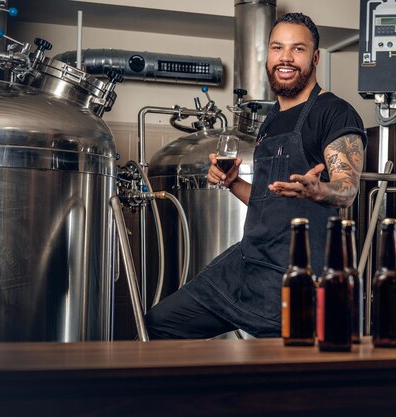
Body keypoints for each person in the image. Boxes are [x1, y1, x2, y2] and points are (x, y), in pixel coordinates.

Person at [145, 12, 367, 339]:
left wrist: (318, 190)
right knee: (161, 322)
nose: (286, 57)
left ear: (315, 57)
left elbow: (348, 191)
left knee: (279, 373)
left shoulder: (333, 112)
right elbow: (269, 201)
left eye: (298, 49)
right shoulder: (272, 119)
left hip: (293, 274)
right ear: (269, 55)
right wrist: (233, 182)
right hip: (247, 261)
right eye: (278, 48)